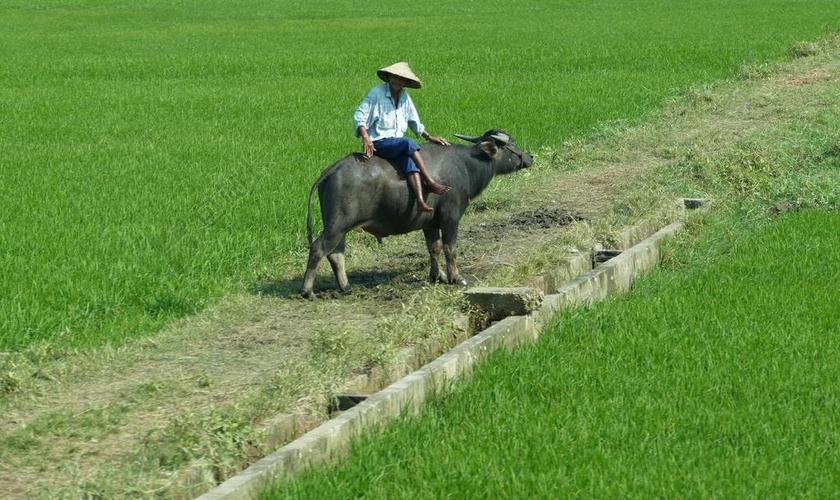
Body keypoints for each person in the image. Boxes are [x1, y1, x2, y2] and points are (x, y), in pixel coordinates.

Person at [353, 62, 451, 212]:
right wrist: (365, 137)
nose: (397, 81)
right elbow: (360, 115)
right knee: (408, 143)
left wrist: (429, 137)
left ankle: (420, 201)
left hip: (395, 144)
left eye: (401, 78)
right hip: (379, 142)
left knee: (410, 163)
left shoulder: (404, 97)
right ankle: (430, 182)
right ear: (389, 77)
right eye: (395, 77)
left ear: (405, 82)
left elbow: (414, 121)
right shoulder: (376, 93)